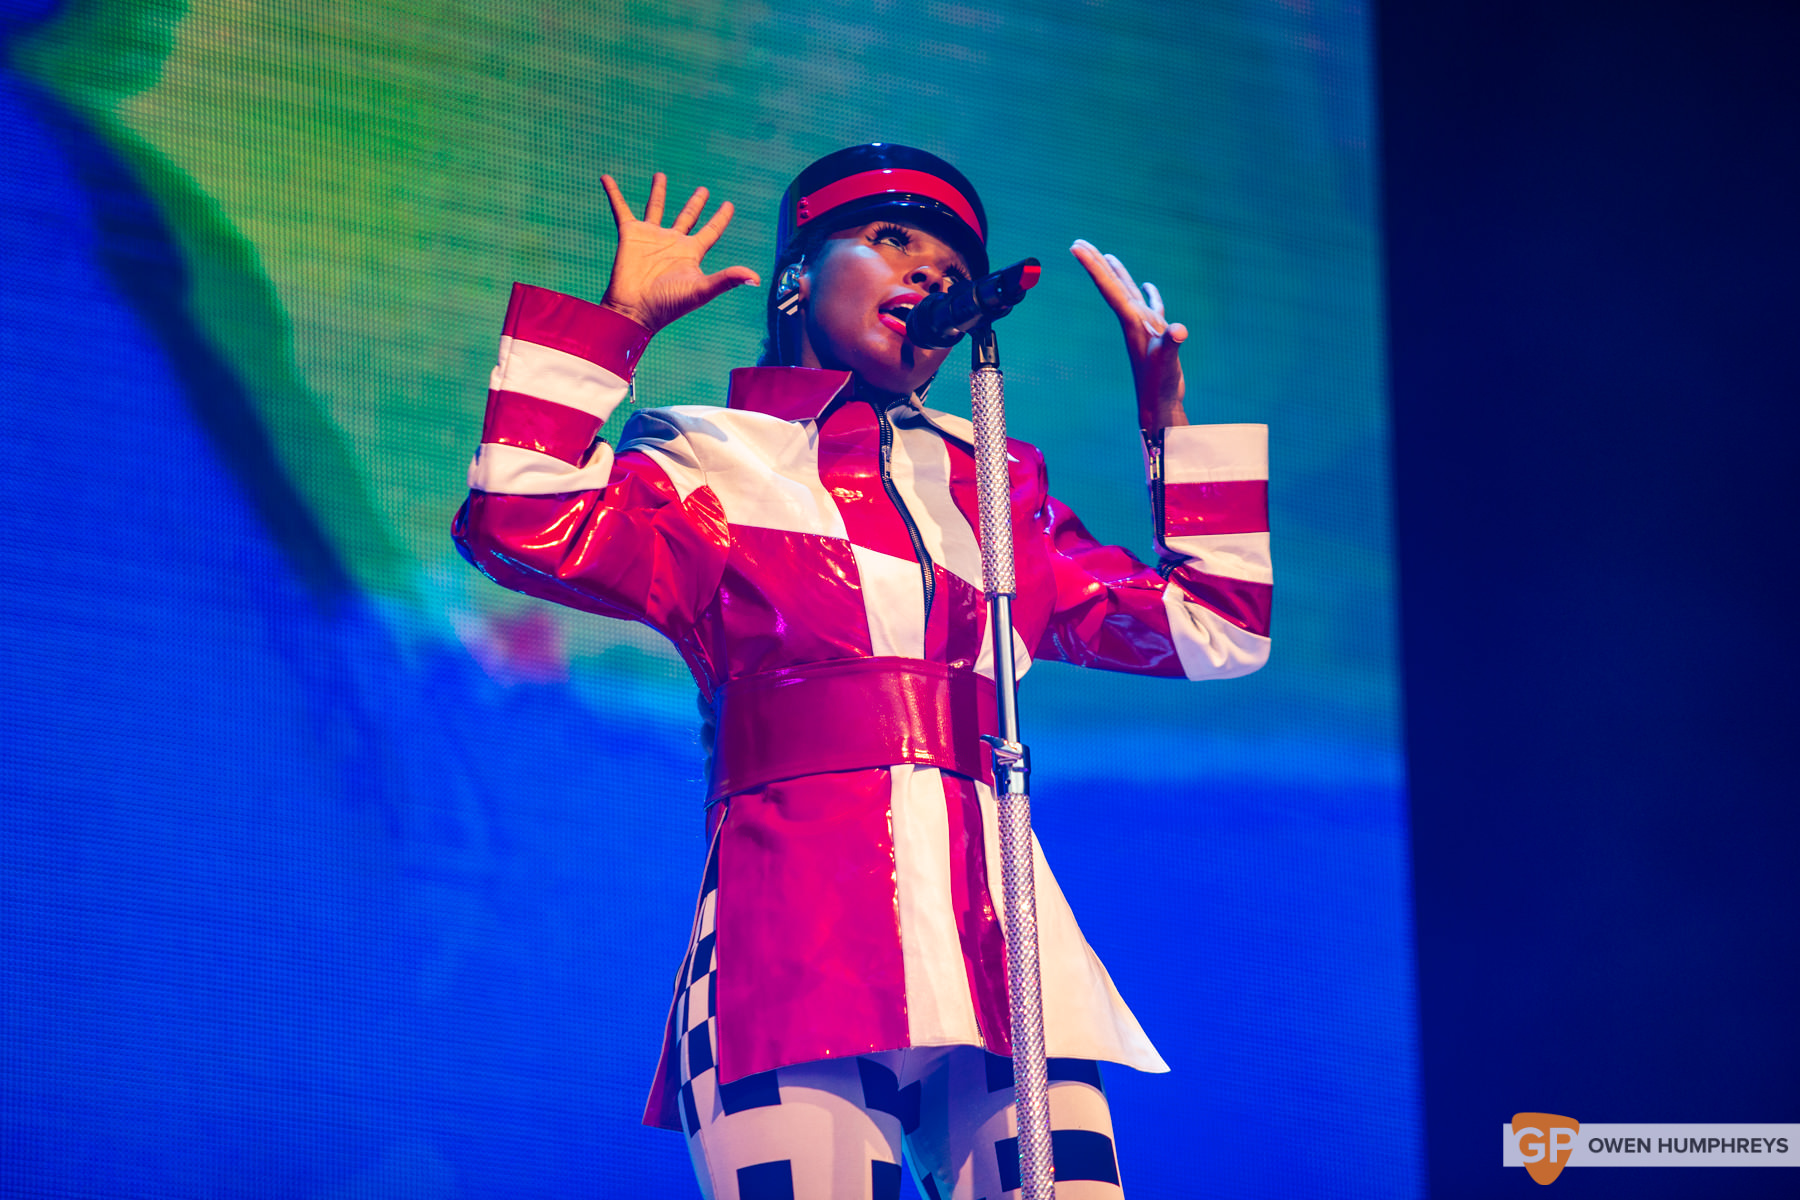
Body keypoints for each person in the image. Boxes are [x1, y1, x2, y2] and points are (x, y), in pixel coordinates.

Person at [453, 144, 1270, 1200]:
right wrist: (620, 323)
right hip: (789, 960)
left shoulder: (994, 489)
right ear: (798, 274)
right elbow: (516, 521)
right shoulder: (711, 460)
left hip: (1005, 957)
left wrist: (1166, 415)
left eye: (951, 264)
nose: (929, 272)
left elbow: (1215, 626)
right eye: (891, 239)